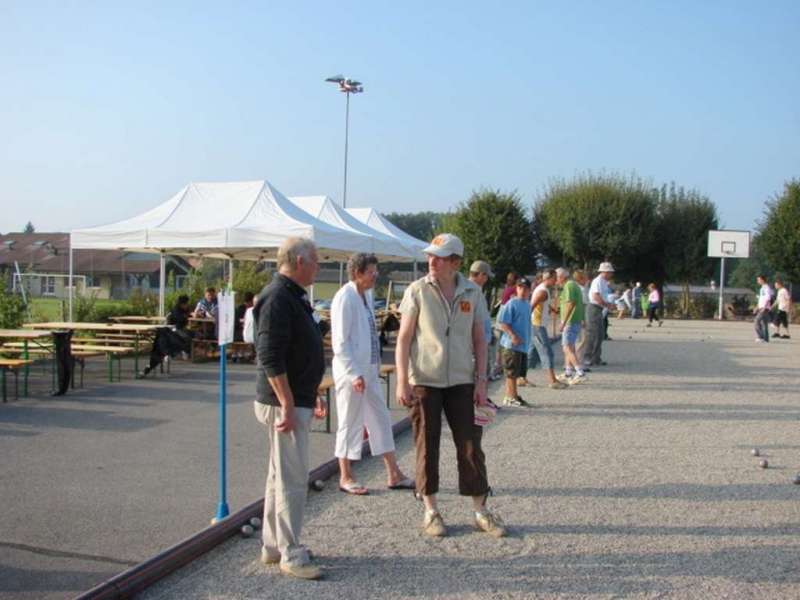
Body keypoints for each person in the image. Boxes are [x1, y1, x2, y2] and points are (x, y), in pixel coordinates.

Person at [396, 233, 504, 539]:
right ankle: (430, 510)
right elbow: (404, 339)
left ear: (455, 262)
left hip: (462, 380)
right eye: (431, 255)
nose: (432, 261)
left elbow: (480, 339)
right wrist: (402, 380)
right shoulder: (417, 290)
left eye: (440, 257)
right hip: (425, 381)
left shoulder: (472, 292)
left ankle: (480, 510)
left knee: (471, 445)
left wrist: (481, 381)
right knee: (426, 445)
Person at [254, 237, 327, 580]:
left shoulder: (290, 297)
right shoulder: (278, 297)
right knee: (292, 478)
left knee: (278, 476)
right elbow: (269, 355)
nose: (318, 267)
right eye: (315, 261)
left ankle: (273, 546)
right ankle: (291, 552)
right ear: (299, 261)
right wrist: (286, 401)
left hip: (294, 398)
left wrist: (310, 393)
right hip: (284, 402)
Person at [331, 253, 413, 496]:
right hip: (351, 371)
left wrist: (370, 370)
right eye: (371, 272)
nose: (375, 275)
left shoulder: (365, 295)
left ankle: (394, 473)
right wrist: (354, 373)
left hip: (368, 369)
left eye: (376, 271)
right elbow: (340, 342)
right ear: (357, 272)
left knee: (380, 419)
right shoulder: (344, 298)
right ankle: (345, 475)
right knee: (349, 421)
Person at [497, 276, 534, 406]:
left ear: (530, 290)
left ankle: (512, 395)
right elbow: (502, 322)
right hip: (511, 345)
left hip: (522, 346)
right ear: (516, 288)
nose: (523, 290)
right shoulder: (512, 303)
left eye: (526, 288)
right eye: (520, 287)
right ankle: (511, 397)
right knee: (511, 373)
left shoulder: (527, 305)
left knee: (517, 372)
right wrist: (513, 335)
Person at [530, 269, 567, 389]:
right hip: (537, 325)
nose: (556, 280)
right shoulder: (543, 291)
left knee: (532, 353)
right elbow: (532, 306)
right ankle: (552, 380)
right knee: (547, 351)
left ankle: (521, 377)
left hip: (536, 324)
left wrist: (552, 309)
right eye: (555, 278)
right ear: (549, 278)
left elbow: (541, 303)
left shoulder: (543, 289)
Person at [557, 268, 588, 385]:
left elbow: (571, 304)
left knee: (567, 348)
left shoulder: (569, 286)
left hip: (570, 321)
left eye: (557, 277)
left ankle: (580, 373)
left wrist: (563, 322)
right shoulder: (575, 285)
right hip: (575, 320)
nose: (556, 281)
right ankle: (568, 372)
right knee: (570, 347)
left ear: (561, 277)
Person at [469, 260, 497, 386]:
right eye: (486, 276)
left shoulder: (476, 289)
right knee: (478, 374)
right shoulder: (470, 290)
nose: (486, 279)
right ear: (480, 274)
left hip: (482, 340)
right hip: (475, 342)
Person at [585, 262, 616, 366]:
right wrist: (607, 305)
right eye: (610, 272)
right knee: (593, 334)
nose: (611, 274)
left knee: (600, 334)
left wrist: (606, 305)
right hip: (594, 308)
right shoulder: (597, 281)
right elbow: (595, 296)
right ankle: (588, 357)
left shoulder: (604, 282)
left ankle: (596, 358)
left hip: (598, 309)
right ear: (604, 272)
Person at [754, 275, 773, 343]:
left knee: (756, 321)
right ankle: (766, 339)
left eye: (758, 280)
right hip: (762, 307)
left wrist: (764, 307)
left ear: (762, 280)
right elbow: (761, 299)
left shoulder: (766, 288)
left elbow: (768, 298)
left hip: (764, 308)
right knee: (764, 324)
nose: (757, 281)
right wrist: (757, 307)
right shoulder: (762, 288)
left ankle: (761, 337)